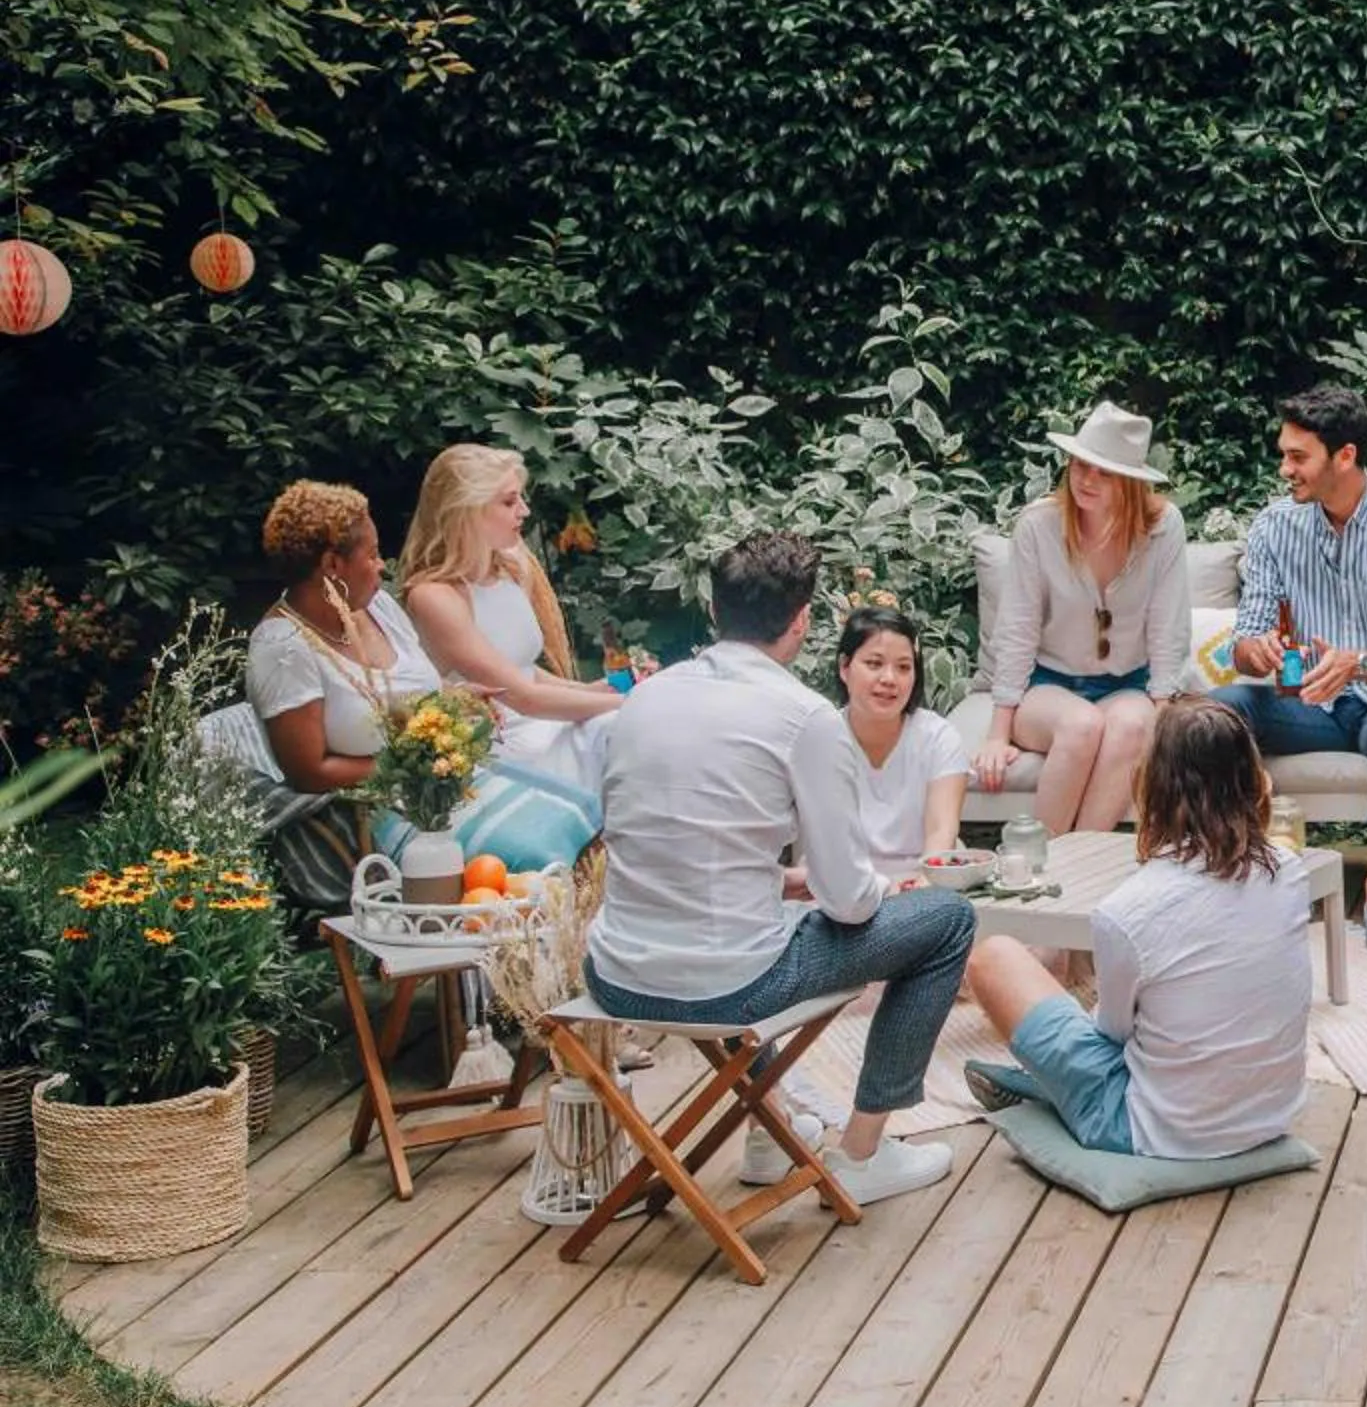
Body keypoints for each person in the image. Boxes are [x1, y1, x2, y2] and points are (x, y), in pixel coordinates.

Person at [586, 531, 976, 1205]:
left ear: (714, 612)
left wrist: (780, 882)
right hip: (727, 986)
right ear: (801, 623)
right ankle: (863, 1154)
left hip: (616, 976)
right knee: (946, 920)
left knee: (763, 927)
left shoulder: (643, 699)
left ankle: (771, 1132)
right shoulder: (805, 718)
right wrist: (876, 884)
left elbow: (665, 841)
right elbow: (852, 903)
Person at [960, 696, 1312, 1158]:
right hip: (1271, 1115)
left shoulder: (1128, 909)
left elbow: (1112, 1035)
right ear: (1253, 781)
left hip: (1154, 1132)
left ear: (1153, 787)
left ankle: (1048, 1092)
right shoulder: (1290, 870)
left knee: (993, 955)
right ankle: (1042, 1085)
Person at [1215, 385, 1367, 953]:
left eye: (1298, 457)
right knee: (1220, 711)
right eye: (1284, 454)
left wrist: (1359, 664)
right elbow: (1244, 639)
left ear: (1344, 456)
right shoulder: (1276, 525)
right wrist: (1261, 651)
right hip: (1317, 705)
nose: (1285, 469)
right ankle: (1240, 873)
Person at [968, 403, 1190, 835]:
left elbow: (1168, 629)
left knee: (1130, 727)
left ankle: (1074, 866)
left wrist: (1163, 722)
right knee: (1081, 725)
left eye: (1104, 471)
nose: (1087, 479)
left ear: (1129, 481)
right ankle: (1040, 864)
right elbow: (1017, 630)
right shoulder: (1039, 525)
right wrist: (998, 733)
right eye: (1081, 464)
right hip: (1048, 687)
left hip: (1127, 685)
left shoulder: (1164, 528)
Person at [242, 480, 443, 909]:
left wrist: (460, 708)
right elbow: (308, 771)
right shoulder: (283, 647)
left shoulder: (376, 607)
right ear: (333, 564)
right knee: (529, 852)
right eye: (371, 555)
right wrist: (413, 767)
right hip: (378, 815)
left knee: (581, 810)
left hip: (443, 784)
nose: (382, 567)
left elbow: (420, 689)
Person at [398, 443, 622, 791]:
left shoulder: (511, 567)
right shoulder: (435, 596)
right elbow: (521, 696)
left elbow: (525, 671)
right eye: (508, 501)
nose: (525, 510)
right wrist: (634, 703)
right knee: (624, 726)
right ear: (466, 511)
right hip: (497, 751)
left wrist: (596, 689)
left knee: (625, 724)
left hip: (542, 726)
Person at [830, 605, 971, 879]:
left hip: (918, 884)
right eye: (874, 664)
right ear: (844, 667)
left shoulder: (938, 738)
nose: (889, 679)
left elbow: (942, 833)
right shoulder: (822, 736)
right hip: (841, 888)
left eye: (904, 667)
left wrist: (920, 890)